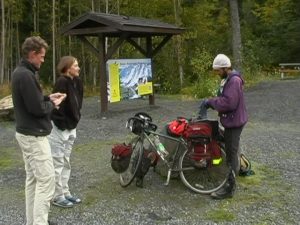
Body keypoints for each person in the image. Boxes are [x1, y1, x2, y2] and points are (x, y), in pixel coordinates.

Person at [12, 36, 66, 225]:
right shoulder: (26, 75)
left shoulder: (21, 72)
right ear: (32, 54)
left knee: (33, 180)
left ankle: (32, 221)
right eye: (42, 56)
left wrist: (47, 97)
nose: (43, 60)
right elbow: (37, 109)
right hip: (34, 137)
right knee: (46, 182)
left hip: (26, 133)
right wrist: (54, 104)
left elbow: (33, 100)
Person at [198, 53, 248, 200]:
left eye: (218, 70)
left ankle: (229, 188)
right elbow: (224, 98)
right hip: (232, 120)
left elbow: (229, 103)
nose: (217, 73)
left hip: (234, 122)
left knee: (231, 154)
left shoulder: (233, 81)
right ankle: (231, 177)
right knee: (229, 148)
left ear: (226, 68)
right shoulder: (229, 79)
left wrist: (210, 102)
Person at [48, 56, 83, 208]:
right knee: (57, 161)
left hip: (71, 127)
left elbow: (78, 104)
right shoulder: (62, 82)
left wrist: (74, 121)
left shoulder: (77, 82)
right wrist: (62, 124)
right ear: (68, 68)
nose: (78, 68)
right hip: (59, 128)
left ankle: (65, 191)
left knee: (66, 161)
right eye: (76, 65)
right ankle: (57, 195)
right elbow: (57, 106)